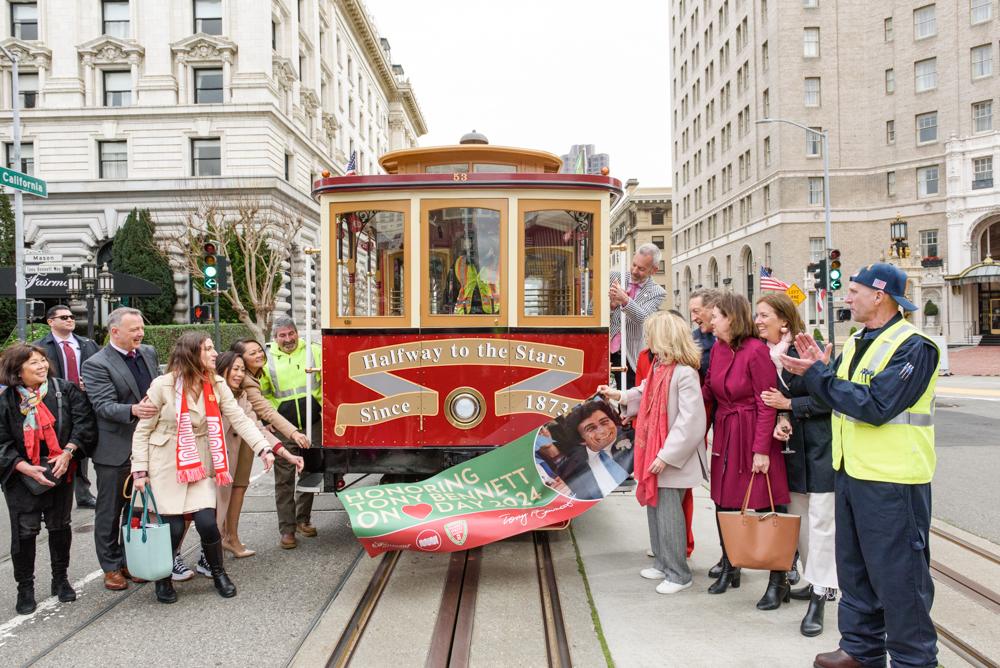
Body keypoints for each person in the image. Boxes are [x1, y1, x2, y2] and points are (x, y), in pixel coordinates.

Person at [780, 263, 940, 668]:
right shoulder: (857, 342)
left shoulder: (914, 346)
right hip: (851, 474)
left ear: (879, 295)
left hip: (893, 482)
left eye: (854, 291)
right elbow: (841, 394)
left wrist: (821, 376)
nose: (846, 297)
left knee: (900, 578)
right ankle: (861, 648)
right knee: (854, 569)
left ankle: (914, 660)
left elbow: (876, 406)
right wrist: (821, 373)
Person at [132, 332, 278, 604]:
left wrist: (263, 448)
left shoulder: (216, 383)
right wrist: (139, 470)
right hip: (166, 463)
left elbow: (240, 418)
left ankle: (218, 572)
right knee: (173, 528)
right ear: (192, 354)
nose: (214, 353)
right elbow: (143, 430)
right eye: (208, 349)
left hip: (200, 462)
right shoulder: (163, 385)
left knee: (208, 523)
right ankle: (163, 580)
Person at [599, 312, 707, 594]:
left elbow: (691, 422)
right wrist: (618, 396)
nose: (647, 341)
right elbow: (642, 392)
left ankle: (678, 574)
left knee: (670, 517)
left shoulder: (684, 374)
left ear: (665, 338)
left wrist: (666, 456)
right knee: (657, 512)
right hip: (657, 455)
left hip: (671, 459)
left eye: (651, 336)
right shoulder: (661, 367)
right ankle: (662, 562)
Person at [701, 292, 791, 608]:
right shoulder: (719, 350)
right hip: (726, 432)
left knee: (768, 505)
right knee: (723, 501)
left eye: (716, 315)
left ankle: (778, 580)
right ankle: (731, 564)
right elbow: (709, 391)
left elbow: (767, 404)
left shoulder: (756, 352)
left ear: (731, 318)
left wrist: (761, 450)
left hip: (754, 431)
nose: (710, 320)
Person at [756, 292, 838, 636]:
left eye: (764, 315)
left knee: (821, 524)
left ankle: (820, 595)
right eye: (757, 315)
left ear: (784, 321)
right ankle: (813, 578)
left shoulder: (803, 349)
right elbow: (775, 404)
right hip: (791, 450)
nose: (758, 320)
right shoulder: (767, 356)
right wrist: (782, 418)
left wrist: (790, 404)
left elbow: (829, 397)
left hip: (820, 448)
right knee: (799, 522)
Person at [0, 344, 96, 614]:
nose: (42, 366)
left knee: (60, 526)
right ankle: (25, 587)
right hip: (20, 476)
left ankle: (60, 579)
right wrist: (22, 466)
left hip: (59, 469)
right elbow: (1, 440)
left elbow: (84, 422)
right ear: (17, 370)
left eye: (43, 360)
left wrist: (68, 452)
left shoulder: (63, 390)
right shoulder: (6, 400)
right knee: (25, 532)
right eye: (33, 363)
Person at [81, 307, 160, 591]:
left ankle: (130, 560)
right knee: (110, 510)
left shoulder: (148, 353)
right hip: (115, 448)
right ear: (115, 332)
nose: (140, 334)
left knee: (137, 508)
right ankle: (111, 567)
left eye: (141, 329)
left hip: (149, 444)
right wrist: (134, 409)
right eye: (134, 330)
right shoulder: (96, 363)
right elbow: (102, 406)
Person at [214, 351, 304, 557]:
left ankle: (218, 548)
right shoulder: (210, 394)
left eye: (242, 370)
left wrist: (286, 454)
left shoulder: (241, 396)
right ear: (222, 369)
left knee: (221, 505)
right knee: (202, 512)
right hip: (213, 463)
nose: (239, 374)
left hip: (231, 459)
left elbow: (257, 428)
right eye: (235, 369)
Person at [259, 317, 322, 548]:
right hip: (283, 427)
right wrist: (267, 420)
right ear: (275, 338)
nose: (288, 339)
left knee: (310, 473)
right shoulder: (266, 360)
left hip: (312, 423)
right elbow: (261, 394)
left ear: (297, 333)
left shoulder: (313, 352)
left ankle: (302, 520)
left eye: (291, 333)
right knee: (284, 479)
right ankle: (287, 530)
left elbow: (326, 383)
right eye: (282, 336)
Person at [35, 304, 100, 509]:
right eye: (63, 317)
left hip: (85, 402)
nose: (69, 319)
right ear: (50, 322)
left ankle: (83, 492)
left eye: (71, 316)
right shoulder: (40, 347)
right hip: (55, 403)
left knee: (80, 443)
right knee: (56, 443)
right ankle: (50, 485)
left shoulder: (87, 344)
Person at [609, 243, 667, 389]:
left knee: (628, 403)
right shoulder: (614, 277)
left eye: (641, 269)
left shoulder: (657, 292)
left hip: (630, 357)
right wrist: (611, 306)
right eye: (634, 265)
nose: (634, 271)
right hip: (603, 351)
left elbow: (644, 319)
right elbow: (591, 312)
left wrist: (625, 300)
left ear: (654, 270)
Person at [553, 401, 633, 500]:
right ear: (581, 440)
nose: (602, 431)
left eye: (605, 422)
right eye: (591, 429)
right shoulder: (568, 468)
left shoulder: (634, 439)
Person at [688, 288, 719, 382]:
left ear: (714, 309)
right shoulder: (693, 341)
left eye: (696, 311)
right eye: (691, 312)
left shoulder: (741, 337)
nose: (693, 318)